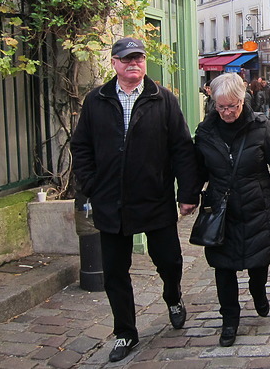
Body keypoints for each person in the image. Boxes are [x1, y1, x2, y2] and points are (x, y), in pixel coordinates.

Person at [71, 37, 200, 363]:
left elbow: (182, 150)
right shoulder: (96, 101)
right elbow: (81, 147)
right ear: (114, 62)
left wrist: (187, 194)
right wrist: (92, 185)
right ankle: (125, 332)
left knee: (169, 261)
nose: (134, 64)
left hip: (154, 198)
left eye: (139, 58)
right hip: (111, 204)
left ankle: (173, 295)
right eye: (127, 59)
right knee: (115, 273)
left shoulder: (163, 100)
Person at [191, 73, 270, 346]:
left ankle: (258, 292)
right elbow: (196, 170)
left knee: (258, 262)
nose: (227, 112)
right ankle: (229, 320)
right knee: (223, 268)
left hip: (257, 206)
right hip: (221, 210)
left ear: (242, 101)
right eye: (221, 107)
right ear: (214, 104)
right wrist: (188, 196)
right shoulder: (205, 132)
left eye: (232, 106)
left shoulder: (260, 127)